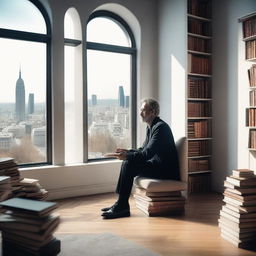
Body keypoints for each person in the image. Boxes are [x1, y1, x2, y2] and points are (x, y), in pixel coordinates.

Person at [101, 98, 180, 219]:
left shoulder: (160, 128)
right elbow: (143, 149)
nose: (140, 113)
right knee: (128, 161)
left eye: (143, 110)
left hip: (165, 170)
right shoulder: (151, 127)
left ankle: (122, 206)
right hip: (157, 165)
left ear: (153, 112)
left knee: (128, 163)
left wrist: (127, 156)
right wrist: (128, 152)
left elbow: (147, 154)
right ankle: (120, 203)